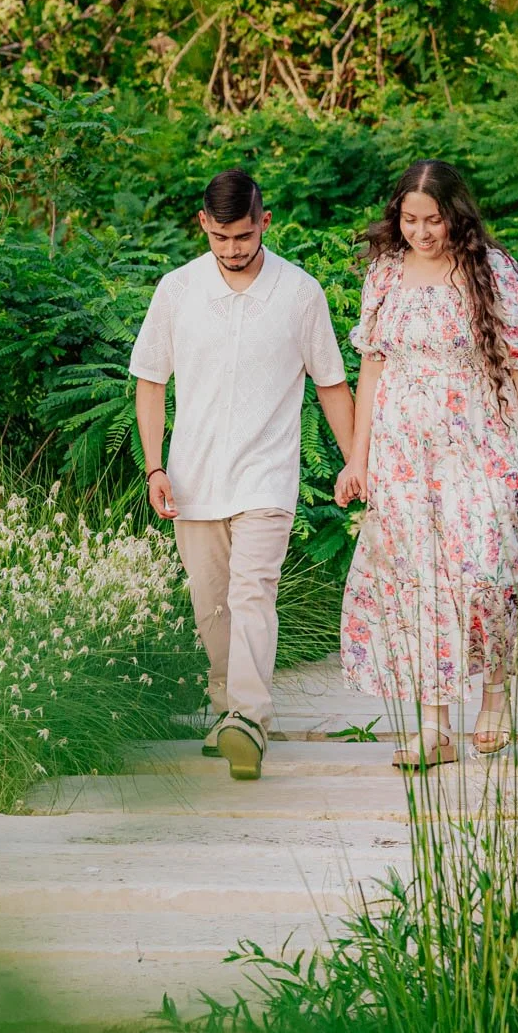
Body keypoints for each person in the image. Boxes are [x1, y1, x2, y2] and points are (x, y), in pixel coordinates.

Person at [333, 159, 518, 771]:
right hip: (403, 457)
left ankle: (495, 699)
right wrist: (357, 458)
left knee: (487, 574)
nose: (421, 232)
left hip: (484, 447)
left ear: (457, 215)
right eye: (409, 219)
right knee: (419, 582)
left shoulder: (492, 272)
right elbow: (372, 365)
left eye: (433, 219)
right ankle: (434, 726)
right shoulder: (385, 274)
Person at [131, 168, 356, 781]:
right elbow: (150, 383)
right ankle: (230, 711)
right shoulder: (176, 291)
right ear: (203, 225)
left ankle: (250, 722)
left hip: (266, 477)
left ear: (265, 223)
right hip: (192, 477)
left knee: (253, 592)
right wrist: (153, 465)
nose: (233, 250)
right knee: (213, 608)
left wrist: (357, 462)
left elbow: (333, 385)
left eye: (244, 236)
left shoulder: (300, 292)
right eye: (221, 238)